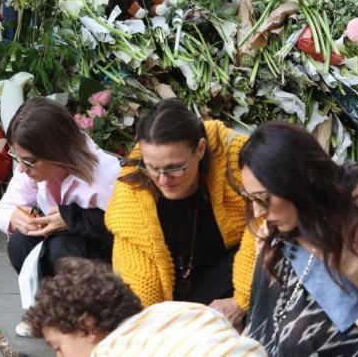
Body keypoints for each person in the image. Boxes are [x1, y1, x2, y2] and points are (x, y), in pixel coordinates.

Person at [239, 121, 358, 356]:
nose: (258, 212)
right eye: (251, 198)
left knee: (299, 340)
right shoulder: (288, 217)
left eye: (264, 198)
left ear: (298, 183)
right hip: (351, 300)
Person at [105, 99, 256, 327]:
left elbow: (269, 223)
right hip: (173, 294)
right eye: (153, 168)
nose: (163, 180)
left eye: (175, 168)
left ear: (200, 149)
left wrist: (239, 302)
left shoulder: (235, 159)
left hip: (232, 275)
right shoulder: (133, 187)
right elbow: (136, 274)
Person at [0, 97, 121, 337]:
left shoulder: (105, 174)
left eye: (29, 162)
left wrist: (72, 219)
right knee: (21, 241)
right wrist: (15, 217)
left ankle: (87, 318)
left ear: (56, 152)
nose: (21, 169)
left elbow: (122, 231)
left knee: (63, 247)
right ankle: (48, 310)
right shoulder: (30, 170)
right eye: (18, 158)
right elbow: (4, 209)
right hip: (63, 249)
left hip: (103, 263)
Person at [24, 257, 266, 357]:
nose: (59, 356)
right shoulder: (178, 310)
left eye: (59, 347)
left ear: (87, 327)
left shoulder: (110, 351)